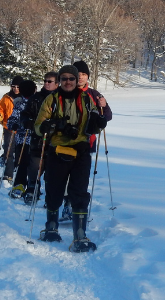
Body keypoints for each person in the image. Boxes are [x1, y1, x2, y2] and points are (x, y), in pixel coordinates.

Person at [33, 65, 107, 252]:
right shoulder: (51, 99)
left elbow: (93, 123)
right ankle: (51, 226)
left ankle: (80, 234)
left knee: (79, 192)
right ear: (59, 80)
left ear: (76, 80)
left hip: (81, 151)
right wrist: (54, 126)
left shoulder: (85, 99)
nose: (68, 82)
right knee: (54, 189)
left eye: (71, 79)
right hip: (57, 151)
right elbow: (38, 126)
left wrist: (98, 123)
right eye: (64, 78)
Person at [54, 60, 114, 221]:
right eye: (78, 74)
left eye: (84, 74)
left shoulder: (94, 94)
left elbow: (106, 117)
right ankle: (67, 205)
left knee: (80, 178)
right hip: (65, 142)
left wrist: (105, 105)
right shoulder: (62, 93)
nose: (80, 77)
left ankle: (77, 208)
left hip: (87, 143)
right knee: (65, 177)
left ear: (88, 76)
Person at [19, 71, 59, 204]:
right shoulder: (36, 97)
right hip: (38, 137)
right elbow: (25, 113)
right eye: (45, 81)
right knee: (35, 165)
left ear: (57, 83)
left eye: (50, 81)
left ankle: (50, 196)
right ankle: (32, 189)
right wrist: (28, 121)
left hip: (55, 139)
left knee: (52, 170)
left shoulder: (60, 98)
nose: (46, 84)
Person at [7, 79, 37, 198]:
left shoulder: (38, 102)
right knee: (22, 162)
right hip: (22, 139)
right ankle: (19, 184)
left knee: (33, 164)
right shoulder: (19, 104)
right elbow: (12, 118)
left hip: (35, 139)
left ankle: (33, 186)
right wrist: (13, 124)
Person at [0, 76, 23, 181]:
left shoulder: (25, 98)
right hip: (8, 127)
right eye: (14, 86)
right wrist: (0, 114)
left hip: (22, 129)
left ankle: (18, 169)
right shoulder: (6, 97)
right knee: (8, 150)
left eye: (18, 86)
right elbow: (1, 108)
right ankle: (8, 174)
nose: (16, 88)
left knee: (20, 151)